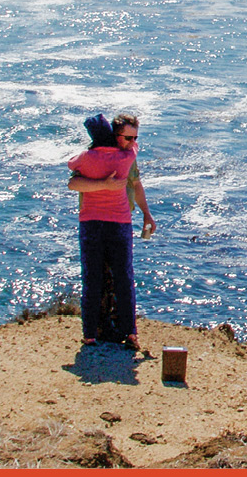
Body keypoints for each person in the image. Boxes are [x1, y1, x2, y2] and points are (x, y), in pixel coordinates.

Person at [68, 113, 155, 350]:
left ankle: (105, 332)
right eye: (127, 137)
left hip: (104, 221)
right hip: (109, 222)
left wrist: (147, 213)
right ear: (114, 135)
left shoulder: (96, 157)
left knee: (104, 278)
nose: (131, 142)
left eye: (135, 138)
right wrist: (104, 185)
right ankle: (113, 331)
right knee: (113, 278)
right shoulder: (122, 156)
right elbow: (74, 183)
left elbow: (136, 185)